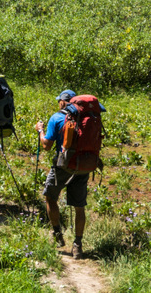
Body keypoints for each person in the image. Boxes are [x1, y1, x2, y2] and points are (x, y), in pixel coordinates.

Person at [38, 89, 103, 260]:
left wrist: (40, 131)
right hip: (83, 166)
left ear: (62, 102)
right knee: (79, 207)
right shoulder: (89, 118)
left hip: (63, 167)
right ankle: (78, 245)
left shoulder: (58, 118)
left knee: (50, 198)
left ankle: (57, 233)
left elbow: (46, 145)